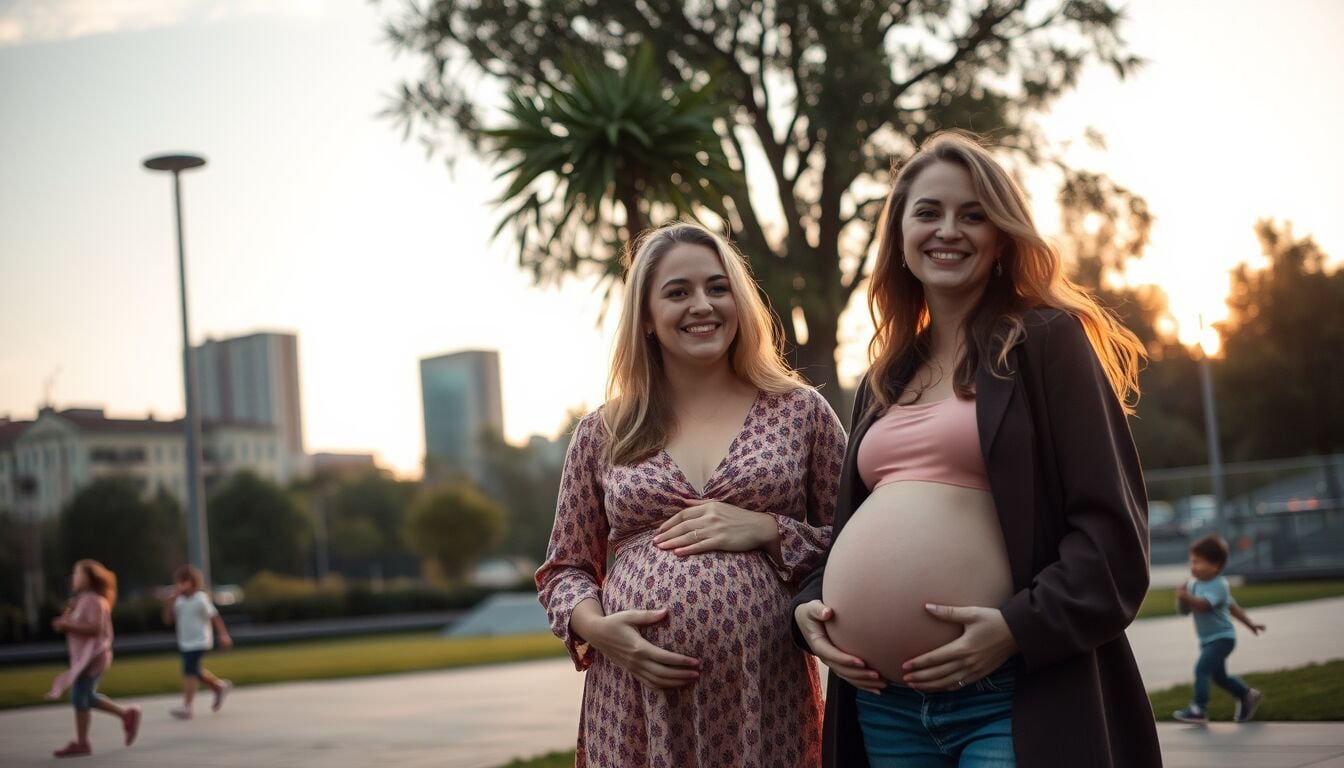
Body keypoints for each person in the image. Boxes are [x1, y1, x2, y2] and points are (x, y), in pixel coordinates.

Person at [791, 130, 1162, 767]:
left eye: (973, 214)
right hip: (884, 704)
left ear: (1001, 238)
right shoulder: (886, 376)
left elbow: (1111, 535)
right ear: (901, 237)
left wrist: (1017, 629)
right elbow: (845, 533)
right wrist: (810, 607)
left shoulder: (1046, 341)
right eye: (929, 212)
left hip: (1007, 694)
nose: (949, 230)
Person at [535, 221, 846, 767]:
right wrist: (600, 630)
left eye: (717, 288)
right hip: (634, 702)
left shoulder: (801, 413)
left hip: (760, 694)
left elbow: (855, 542)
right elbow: (564, 569)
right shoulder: (604, 432)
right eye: (678, 292)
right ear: (648, 319)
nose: (702, 305)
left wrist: (768, 530)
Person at [46, 559, 142, 758]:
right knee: (86, 697)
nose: (73, 577)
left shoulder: (95, 600)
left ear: (89, 578)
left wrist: (67, 626)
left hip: (93, 657)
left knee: (79, 697)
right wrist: (67, 617)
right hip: (88, 657)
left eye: (77, 573)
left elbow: (95, 629)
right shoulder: (83, 600)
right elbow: (74, 623)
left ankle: (83, 743)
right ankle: (126, 715)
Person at [1172, 534, 1266, 724]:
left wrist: (1187, 597)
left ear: (1214, 565)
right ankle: (1247, 695)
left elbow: (1204, 605)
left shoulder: (1219, 585)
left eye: (1197, 562)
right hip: (1208, 640)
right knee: (1219, 677)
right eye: (1191, 561)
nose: (1192, 566)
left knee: (1201, 670)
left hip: (1222, 638)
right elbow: (1187, 611)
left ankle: (1199, 709)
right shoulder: (1194, 584)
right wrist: (1182, 598)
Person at [162, 564, 233, 719]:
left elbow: (214, 617)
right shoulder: (178, 601)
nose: (181, 585)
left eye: (184, 581)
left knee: (188, 671)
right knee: (194, 671)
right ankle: (219, 686)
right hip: (185, 641)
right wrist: (170, 602)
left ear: (193, 582)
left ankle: (187, 706)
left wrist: (223, 634)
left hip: (199, 640)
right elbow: (167, 620)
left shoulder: (200, 599)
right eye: (179, 582)